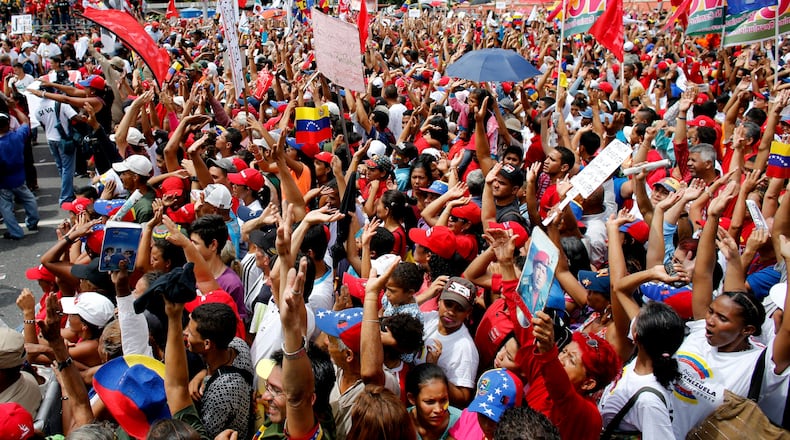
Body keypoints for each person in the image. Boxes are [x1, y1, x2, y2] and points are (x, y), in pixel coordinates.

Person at [184, 302, 253, 439]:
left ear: (207, 344)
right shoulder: (237, 344)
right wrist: (202, 375)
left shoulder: (221, 392)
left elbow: (203, 435)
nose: (184, 332)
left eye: (190, 332)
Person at [0, 108, 38, 239]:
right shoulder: (17, 137)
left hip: (4, 182)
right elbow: (26, 122)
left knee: (6, 208)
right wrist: (14, 107)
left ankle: (16, 232)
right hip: (19, 178)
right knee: (29, 199)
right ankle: (33, 222)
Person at [406, 363, 461, 440]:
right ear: (412, 399)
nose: (438, 410)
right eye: (430, 402)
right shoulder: (398, 422)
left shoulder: (462, 422)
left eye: (443, 400)